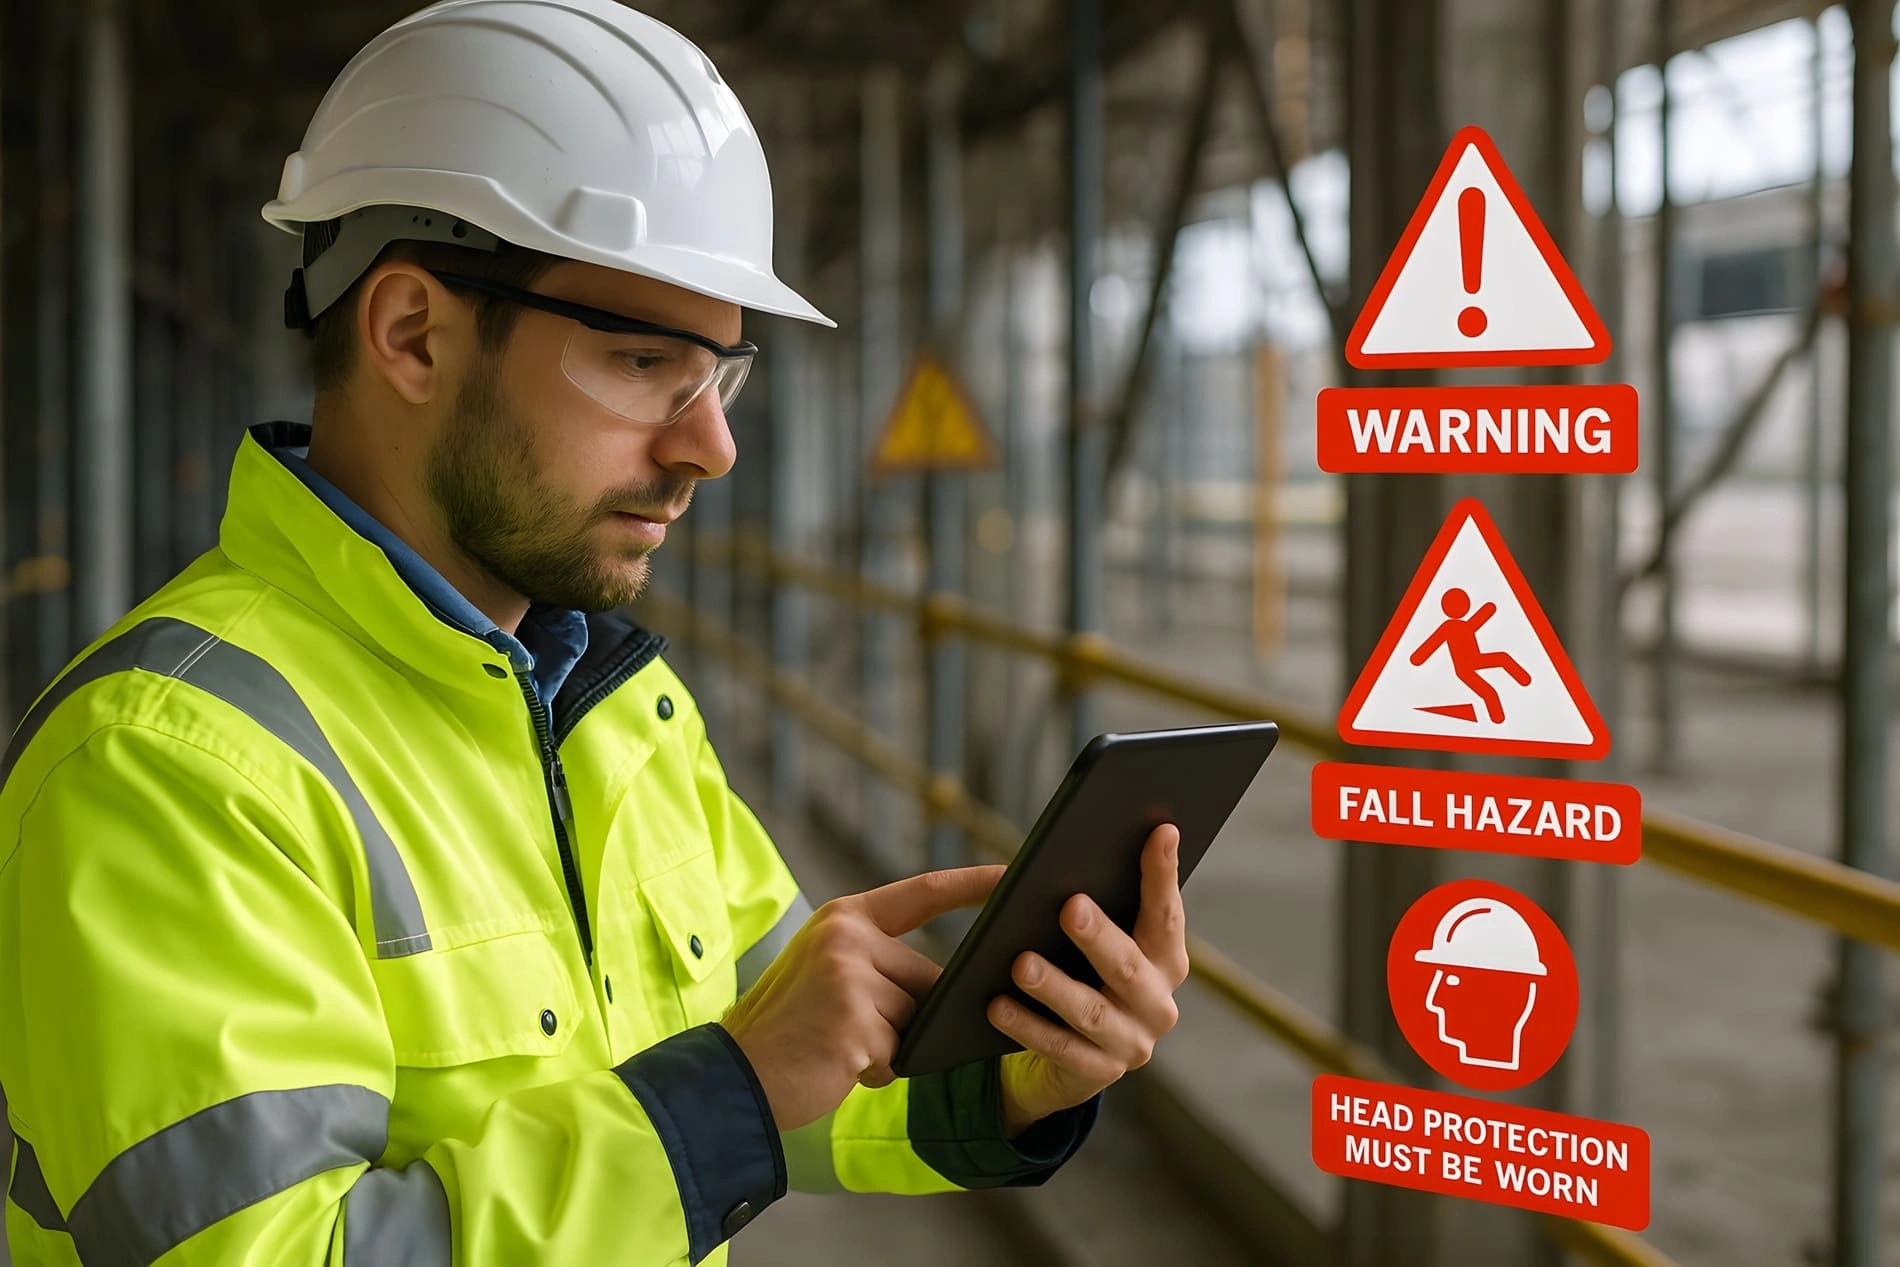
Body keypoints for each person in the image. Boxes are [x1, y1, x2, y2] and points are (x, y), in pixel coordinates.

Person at [0, 3, 1193, 1264]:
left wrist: (1020, 1071)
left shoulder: (610, 711)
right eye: (640, 363)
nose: (710, 447)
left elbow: (802, 1072)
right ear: (411, 332)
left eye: (720, 376)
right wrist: (720, 1098)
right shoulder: (170, 761)